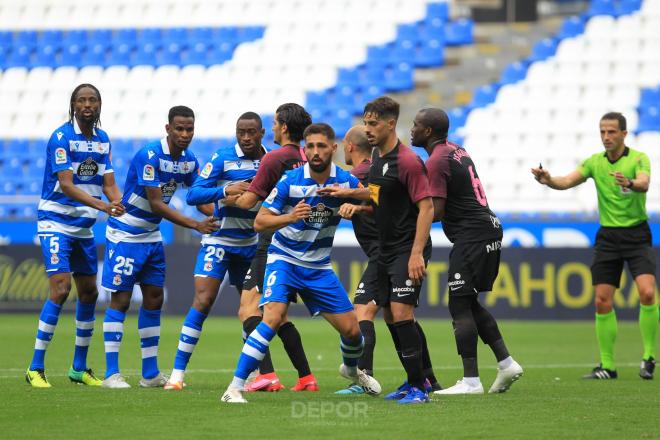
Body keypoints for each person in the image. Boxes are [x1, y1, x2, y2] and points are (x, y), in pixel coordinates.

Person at [220, 123, 381, 403]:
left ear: (333, 147)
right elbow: (260, 222)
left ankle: (352, 370)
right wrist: (290, 217)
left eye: (321, 146)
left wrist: (354, 202)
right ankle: (233, 388)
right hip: (285, 260)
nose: (316, 152)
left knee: (353, 332)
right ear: (305, 150)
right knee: (271, 318)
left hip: (318, 267)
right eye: (310, 147)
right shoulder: (290, 181)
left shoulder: (345, 180)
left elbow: (376, 195)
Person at [320, 96, 434, 404]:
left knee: (401, 312)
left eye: (373, 123)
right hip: (385, 250)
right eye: (366, 123)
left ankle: (420, 388)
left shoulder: (407, 161)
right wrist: (355, 201)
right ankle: (415, 382)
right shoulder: (381, 161)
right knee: (389, 315)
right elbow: (379, 197)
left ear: (390, 124)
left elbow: (426, 207)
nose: (368, 129)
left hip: (405, 249)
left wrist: (415, 253)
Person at [532, 111, 658, 380]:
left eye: (611, 131)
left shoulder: (638, 159)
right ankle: (607, 365)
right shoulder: (594, 162)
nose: (606, 136)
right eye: (602, 131)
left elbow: (644, 183)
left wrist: (631, 183)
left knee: (647, 293)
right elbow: (566, 181)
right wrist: (548, 180)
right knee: (602, 300)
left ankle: (648, 357)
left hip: (637, 234)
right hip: (608, 237)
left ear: (624, 133)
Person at [100, 105, 219, 388]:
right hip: (127, 232)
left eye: (189, 129)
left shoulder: (189, 161)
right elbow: (156, 203)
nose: (184, 134)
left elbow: (197, 198)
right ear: (168, 129)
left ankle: (150, 374)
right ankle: (111, 373)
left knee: (154, 298)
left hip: (151, 235)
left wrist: (220, 213)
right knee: (121, 300)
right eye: (179, 128)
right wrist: (195, 225)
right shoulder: (149, 155)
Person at [413, 108, 523, 395]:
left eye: (415, 125)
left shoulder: (437, 160)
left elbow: (435, 211)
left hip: (473, 235)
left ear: (427, 132)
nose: (411, 130)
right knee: (469, 302)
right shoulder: (455, 150)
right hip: (488, 228)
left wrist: (408, 211)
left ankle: (471, 381)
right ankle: (506, 363)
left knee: (459, 304)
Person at [26, 84, 125, 388]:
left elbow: (108, 183)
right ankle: (35, 368)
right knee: (60, 288)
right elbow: (67, 185)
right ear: (73, 105)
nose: (87, 105)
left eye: (92, 100)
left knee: (89, 293)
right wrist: (102, 206)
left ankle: (78, 368)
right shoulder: (61, 137)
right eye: (81, 100)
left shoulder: (103, 139)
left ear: (99, 105)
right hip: (55, 221)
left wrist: (119, 206)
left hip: (83, 226)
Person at [163, 112, 268, 390]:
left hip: (251, 246)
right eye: (240, 132)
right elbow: (193, 195)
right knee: (203, 300)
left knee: (252, 310)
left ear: (262, 133)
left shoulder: (271, 161)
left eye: (251, 132)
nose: (245, 138)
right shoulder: (222, 158)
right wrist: (225, 191)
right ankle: (177, 374)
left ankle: (255, 376)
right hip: (219, 242)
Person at [223, 103, 316, 392]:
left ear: (284, 127)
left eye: (275, 123)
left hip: (273, 242)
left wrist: (225, 196)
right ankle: (306, 378)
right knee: (278, 313)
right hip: (304, 243)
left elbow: (249, 203)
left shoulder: (275, 158)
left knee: (248, 309)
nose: (273, 128)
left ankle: (267, 375)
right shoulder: (309, 157)